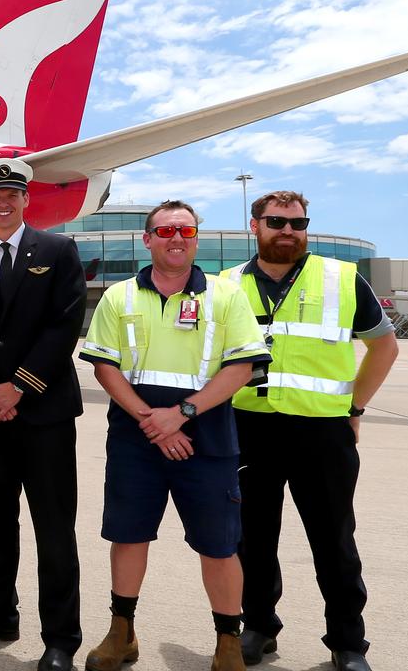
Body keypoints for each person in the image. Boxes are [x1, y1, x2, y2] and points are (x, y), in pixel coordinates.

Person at [78, 200, 270, 671]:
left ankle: (228, 642)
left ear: (196, 239)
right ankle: (121, 633)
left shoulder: (226, 296)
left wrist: (181, 414)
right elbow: (105, 367)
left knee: (219, 544)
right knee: (128, 536)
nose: (175, 239)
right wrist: (153, 421)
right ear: (147, 240)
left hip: (207, 439)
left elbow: (242, 366)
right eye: (164, 231)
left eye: (185, 230)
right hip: (135, 437)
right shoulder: (118, 296)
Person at [226, 192, 398, 671]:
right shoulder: (225, 285)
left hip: (322, 434)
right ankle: (259, 627)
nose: (288, 230)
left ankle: (348, 644)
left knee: (334, 541)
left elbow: (384, 347)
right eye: (277, 221)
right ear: (254, 225)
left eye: (298, 223)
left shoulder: (342, 278)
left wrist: (355, 406)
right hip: (248, 429)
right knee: (252, 540)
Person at [0, 158, 86, 671]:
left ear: (26, 200)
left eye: (13, 194)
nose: (3, 203)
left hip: (44, 413)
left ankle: (60, 638)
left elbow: (64, 323)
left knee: (53, 528)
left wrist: (19, 388)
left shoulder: (57, 249)